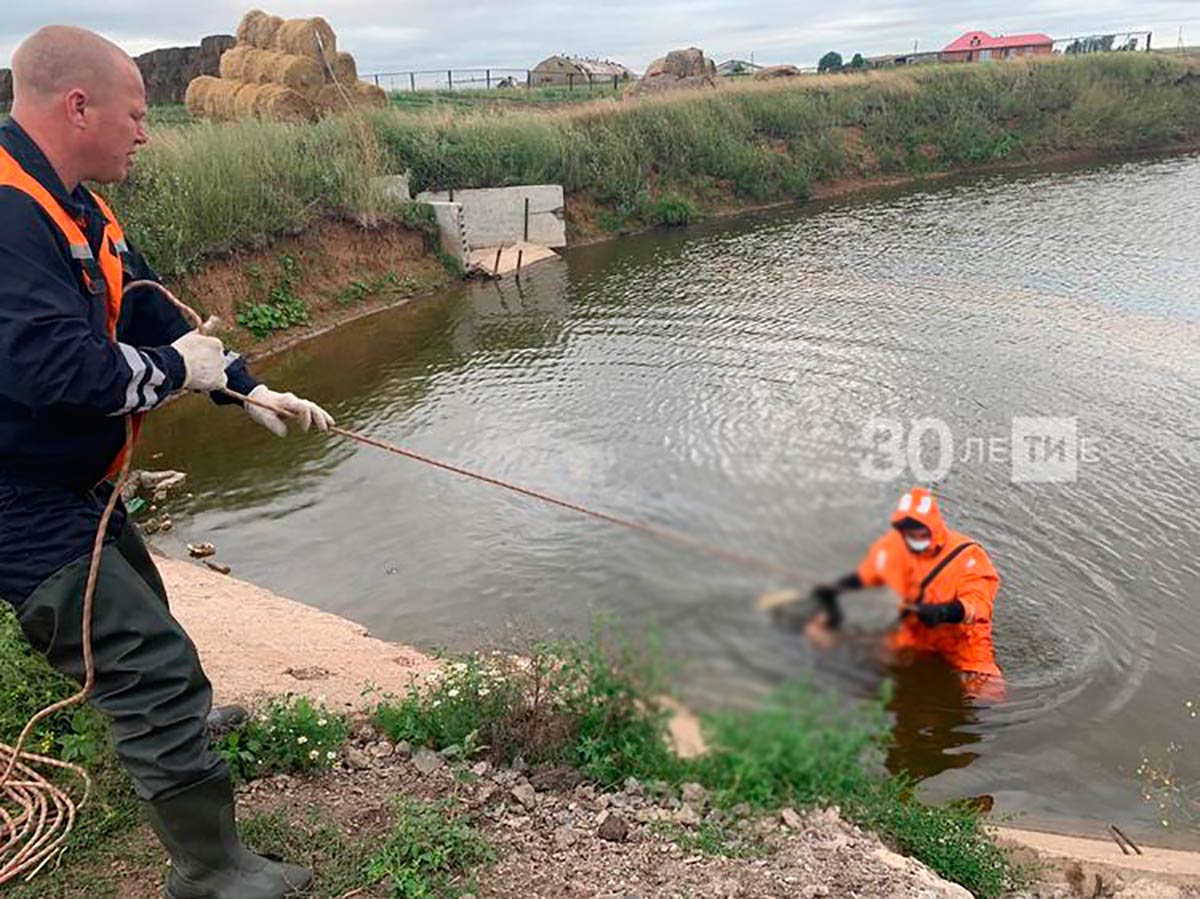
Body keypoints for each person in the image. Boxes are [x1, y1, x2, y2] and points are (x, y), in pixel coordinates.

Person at [0, 25, 332, 898]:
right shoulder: (5, 213)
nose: (145, 133)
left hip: (67, 482)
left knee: (142, 603)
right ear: (78, 107)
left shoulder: (72, 202)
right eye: (136, 114)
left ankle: (176, 728)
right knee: (143, 655)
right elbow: (55, 369)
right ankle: (210, 869)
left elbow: (152, 318)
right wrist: (176, 374)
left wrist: (244, 388)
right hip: (13, 494)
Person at [805, 487, 1003, 697]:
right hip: (914, 629)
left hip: (962, 637)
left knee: (988, 697)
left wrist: (944, 612)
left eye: (921, 532)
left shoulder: (968, 556)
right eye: (909, 533)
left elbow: (980, 606)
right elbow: (867, 575)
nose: (915, 537)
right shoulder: (892, 547)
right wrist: (834, 590)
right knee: (852, 654)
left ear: (933, 527)